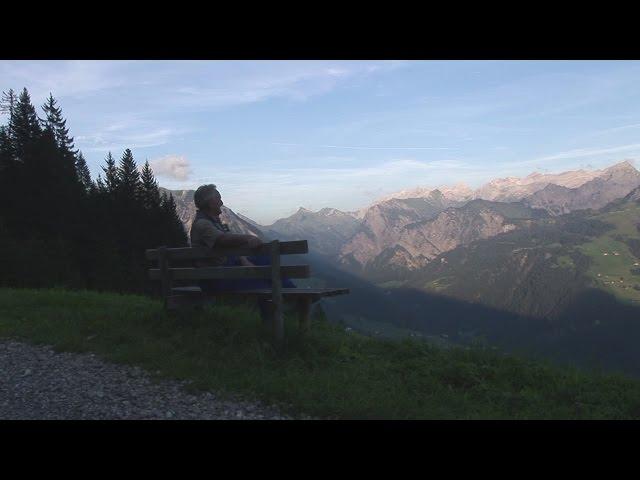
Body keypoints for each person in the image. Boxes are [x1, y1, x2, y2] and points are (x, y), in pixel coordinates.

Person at [189, 184, 294, 321]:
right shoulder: (203, 225)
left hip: (222, 273)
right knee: (267, 283)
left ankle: (290, 293)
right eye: (219, 199)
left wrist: (243, 259)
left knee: (265, 261)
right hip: (216, 279)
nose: (221, 202)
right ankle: (290, 297)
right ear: (210, 203)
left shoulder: (210, 223)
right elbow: (222, 240)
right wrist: (248, 238)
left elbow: (225, 247)